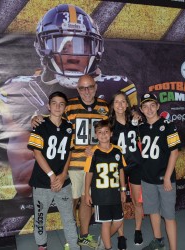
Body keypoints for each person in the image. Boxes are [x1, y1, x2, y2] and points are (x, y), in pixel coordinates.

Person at [0, 3, 138, 198]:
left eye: (82, 45)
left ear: (96, 48)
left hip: (103, 167)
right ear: (42, 46)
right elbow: (24, 177)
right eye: (62, 45)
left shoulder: (117, 89)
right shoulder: (20, 91)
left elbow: (128, 136)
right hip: (66, 172)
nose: (73, 55)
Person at [32, 74, 109, 249]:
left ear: (96, 87)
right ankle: (71, 238)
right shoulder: (70, 105)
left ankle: (82, 237)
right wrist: (36, 119)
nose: (87, 91)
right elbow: (54, 117)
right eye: (82, 88)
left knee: (86, 200)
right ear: (77, 89)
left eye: (90, 87)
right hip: (72, 164)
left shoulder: (104, 106)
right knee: (71, 203)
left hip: (93, 165)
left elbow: (107, 132)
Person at [27, 91, 79, 250]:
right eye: (54, 103)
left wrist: (63, 175)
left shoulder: (69, 126)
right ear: (48, 106)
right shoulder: (40, 125)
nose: (57, 106)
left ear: (65, 107)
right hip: (43, 181)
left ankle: (74, 246)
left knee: (69, 218)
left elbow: (69, 151)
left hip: (63, 182)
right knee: (40, 218)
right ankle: (42, 246)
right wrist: (51, 176)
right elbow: (37, 153)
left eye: (61, 104)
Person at [139, 93, 181, 250]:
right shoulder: (140, 128)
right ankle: (158, 241)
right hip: (147, 178)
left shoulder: (168, 125)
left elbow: (174, 152)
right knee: (153, 211)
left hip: (165, 179)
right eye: (145, 106)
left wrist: (168, 177)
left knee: (169, 216)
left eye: (152, 105)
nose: (149, 109)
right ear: (141, 109)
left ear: (157, 106)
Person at [108, 91, 144, 250]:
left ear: (127, 104)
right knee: (119, 202)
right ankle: (121, 235)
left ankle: (138, 230)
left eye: (123, 101)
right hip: (118, 168)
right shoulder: (108, 124)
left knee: (137, 201)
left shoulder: (135, 121)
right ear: (112, 105)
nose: (120, 105)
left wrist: (138, 117)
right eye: (117, 102)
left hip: (135, 165)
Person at [84, 119, 127, 250]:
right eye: (100, 132)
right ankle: (107, 246)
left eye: (106, 132)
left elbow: (121, 171)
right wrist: (87, 193)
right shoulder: (93, 153)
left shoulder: (117, 150)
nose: (103, 135)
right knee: (106, 223)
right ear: (96, 135)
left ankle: (103, 239)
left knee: (119, 221)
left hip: (114, 193)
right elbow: (89, 174)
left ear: (111, 133)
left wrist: (123, 189)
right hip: (100, 195)